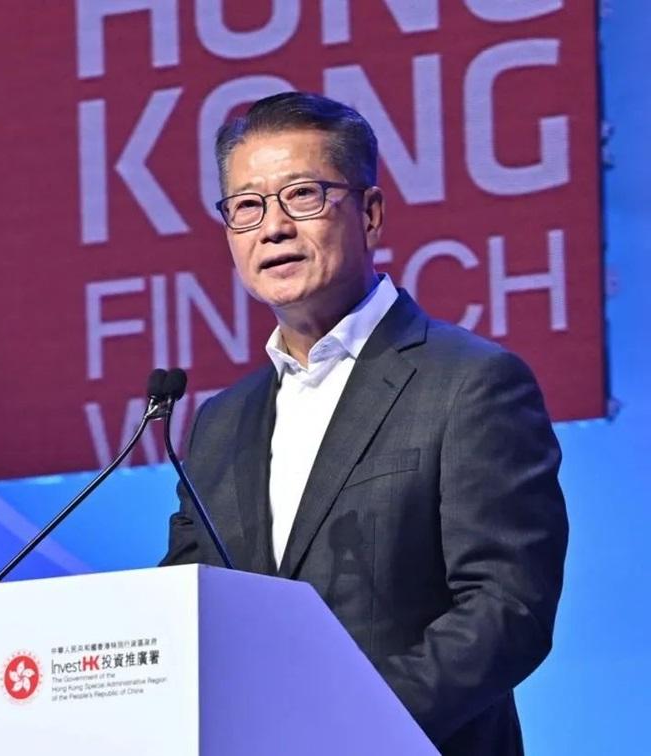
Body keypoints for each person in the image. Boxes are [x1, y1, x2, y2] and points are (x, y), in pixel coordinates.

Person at [160, 92, 568, 756]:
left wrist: (345, 729)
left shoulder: (470, 383)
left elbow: (506, 608)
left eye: (302, 196)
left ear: (370, 213)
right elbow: (187, 608)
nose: (273, 228)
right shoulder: (219, 423)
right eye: (247, 206)